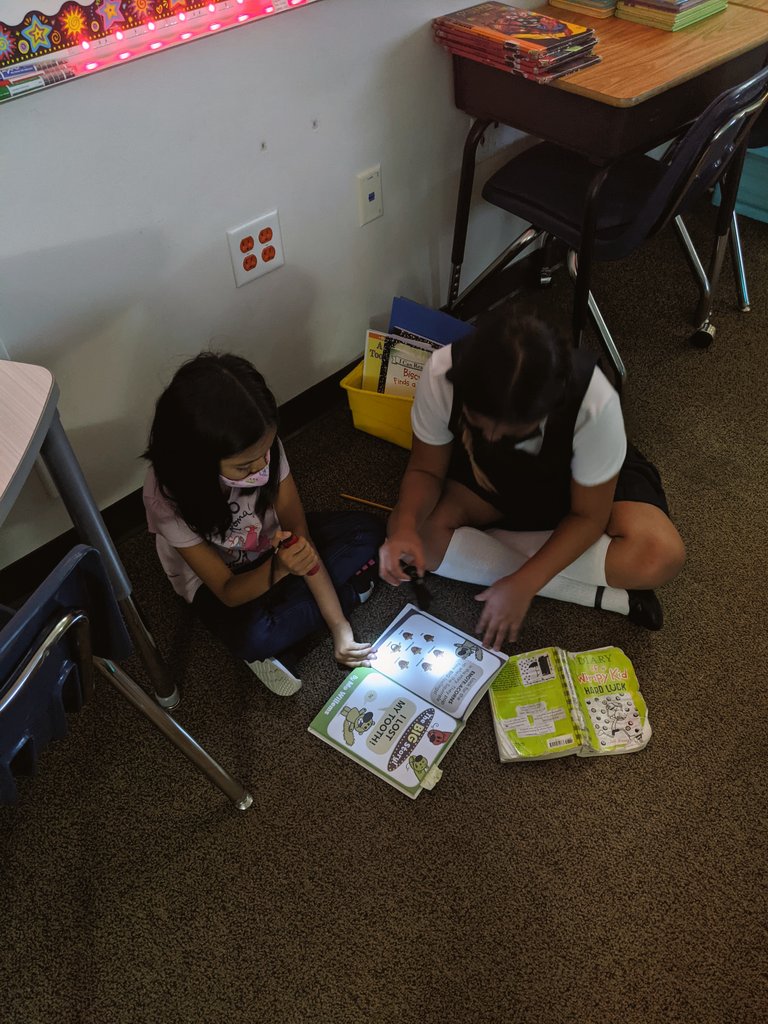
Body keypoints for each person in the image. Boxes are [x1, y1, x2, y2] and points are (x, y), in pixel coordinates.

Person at [379, 307, 685, 650]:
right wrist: (405, 526)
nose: (492, 437)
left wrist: (525, 582)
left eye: (510, 431)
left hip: (580, 483)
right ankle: (609, 595)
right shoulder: (442, 373)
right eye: (480, 424)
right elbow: (425, 470)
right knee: (409, 534)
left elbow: (588, 516)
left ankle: (497, 554)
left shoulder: (594, 402)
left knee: (660, 554)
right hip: (487, 481)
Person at [143, 352, 384, 696]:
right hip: (225, 581)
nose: (260, 467)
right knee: (252, 637)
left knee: (368, 532)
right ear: (198, 459)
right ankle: (335, 599)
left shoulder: (259, 444)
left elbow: (299, 534)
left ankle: (297, 631)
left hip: (276, 546)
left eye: (267, 452)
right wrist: (282, 569)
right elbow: (227, 591)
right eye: (244, 467)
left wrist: (340, 628)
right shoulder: (166, 500)